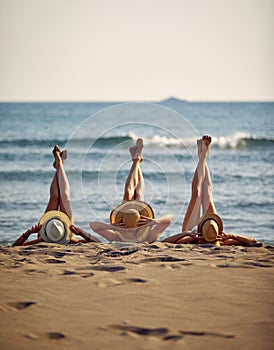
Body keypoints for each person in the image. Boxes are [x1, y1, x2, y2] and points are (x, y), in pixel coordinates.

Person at [163, 136, 258, 246]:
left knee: (196, 193)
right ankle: (203, 156)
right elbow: (253, 241)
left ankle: (202, 157)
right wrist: (232, 236)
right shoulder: (221, 240)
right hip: (211, 225)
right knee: (207, 194)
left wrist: (186, 233)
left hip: (191, 229)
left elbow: (165, 242)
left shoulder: (192, 239)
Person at [12, 145, 100, 246]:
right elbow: (98, 243)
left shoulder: (41, 240)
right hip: (60, 227)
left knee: (57, 197)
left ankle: (60, 165)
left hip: (51, 226)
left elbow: (15, 246)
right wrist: (81, 233)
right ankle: (60, 164)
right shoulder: (71, 240)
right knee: (62, 197)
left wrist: (29, 233)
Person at [90, 138, 173, 243]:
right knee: (138, 192)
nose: (127, 231)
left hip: (126, 215)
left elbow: (93, 225)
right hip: (138, 215)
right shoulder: (148, 238)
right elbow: (170, 218)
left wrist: (114, 228)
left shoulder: (117, 237)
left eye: (127, 230)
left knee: (128, 192)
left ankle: (136, 160)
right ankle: (137, 160)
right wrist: (154, 222)